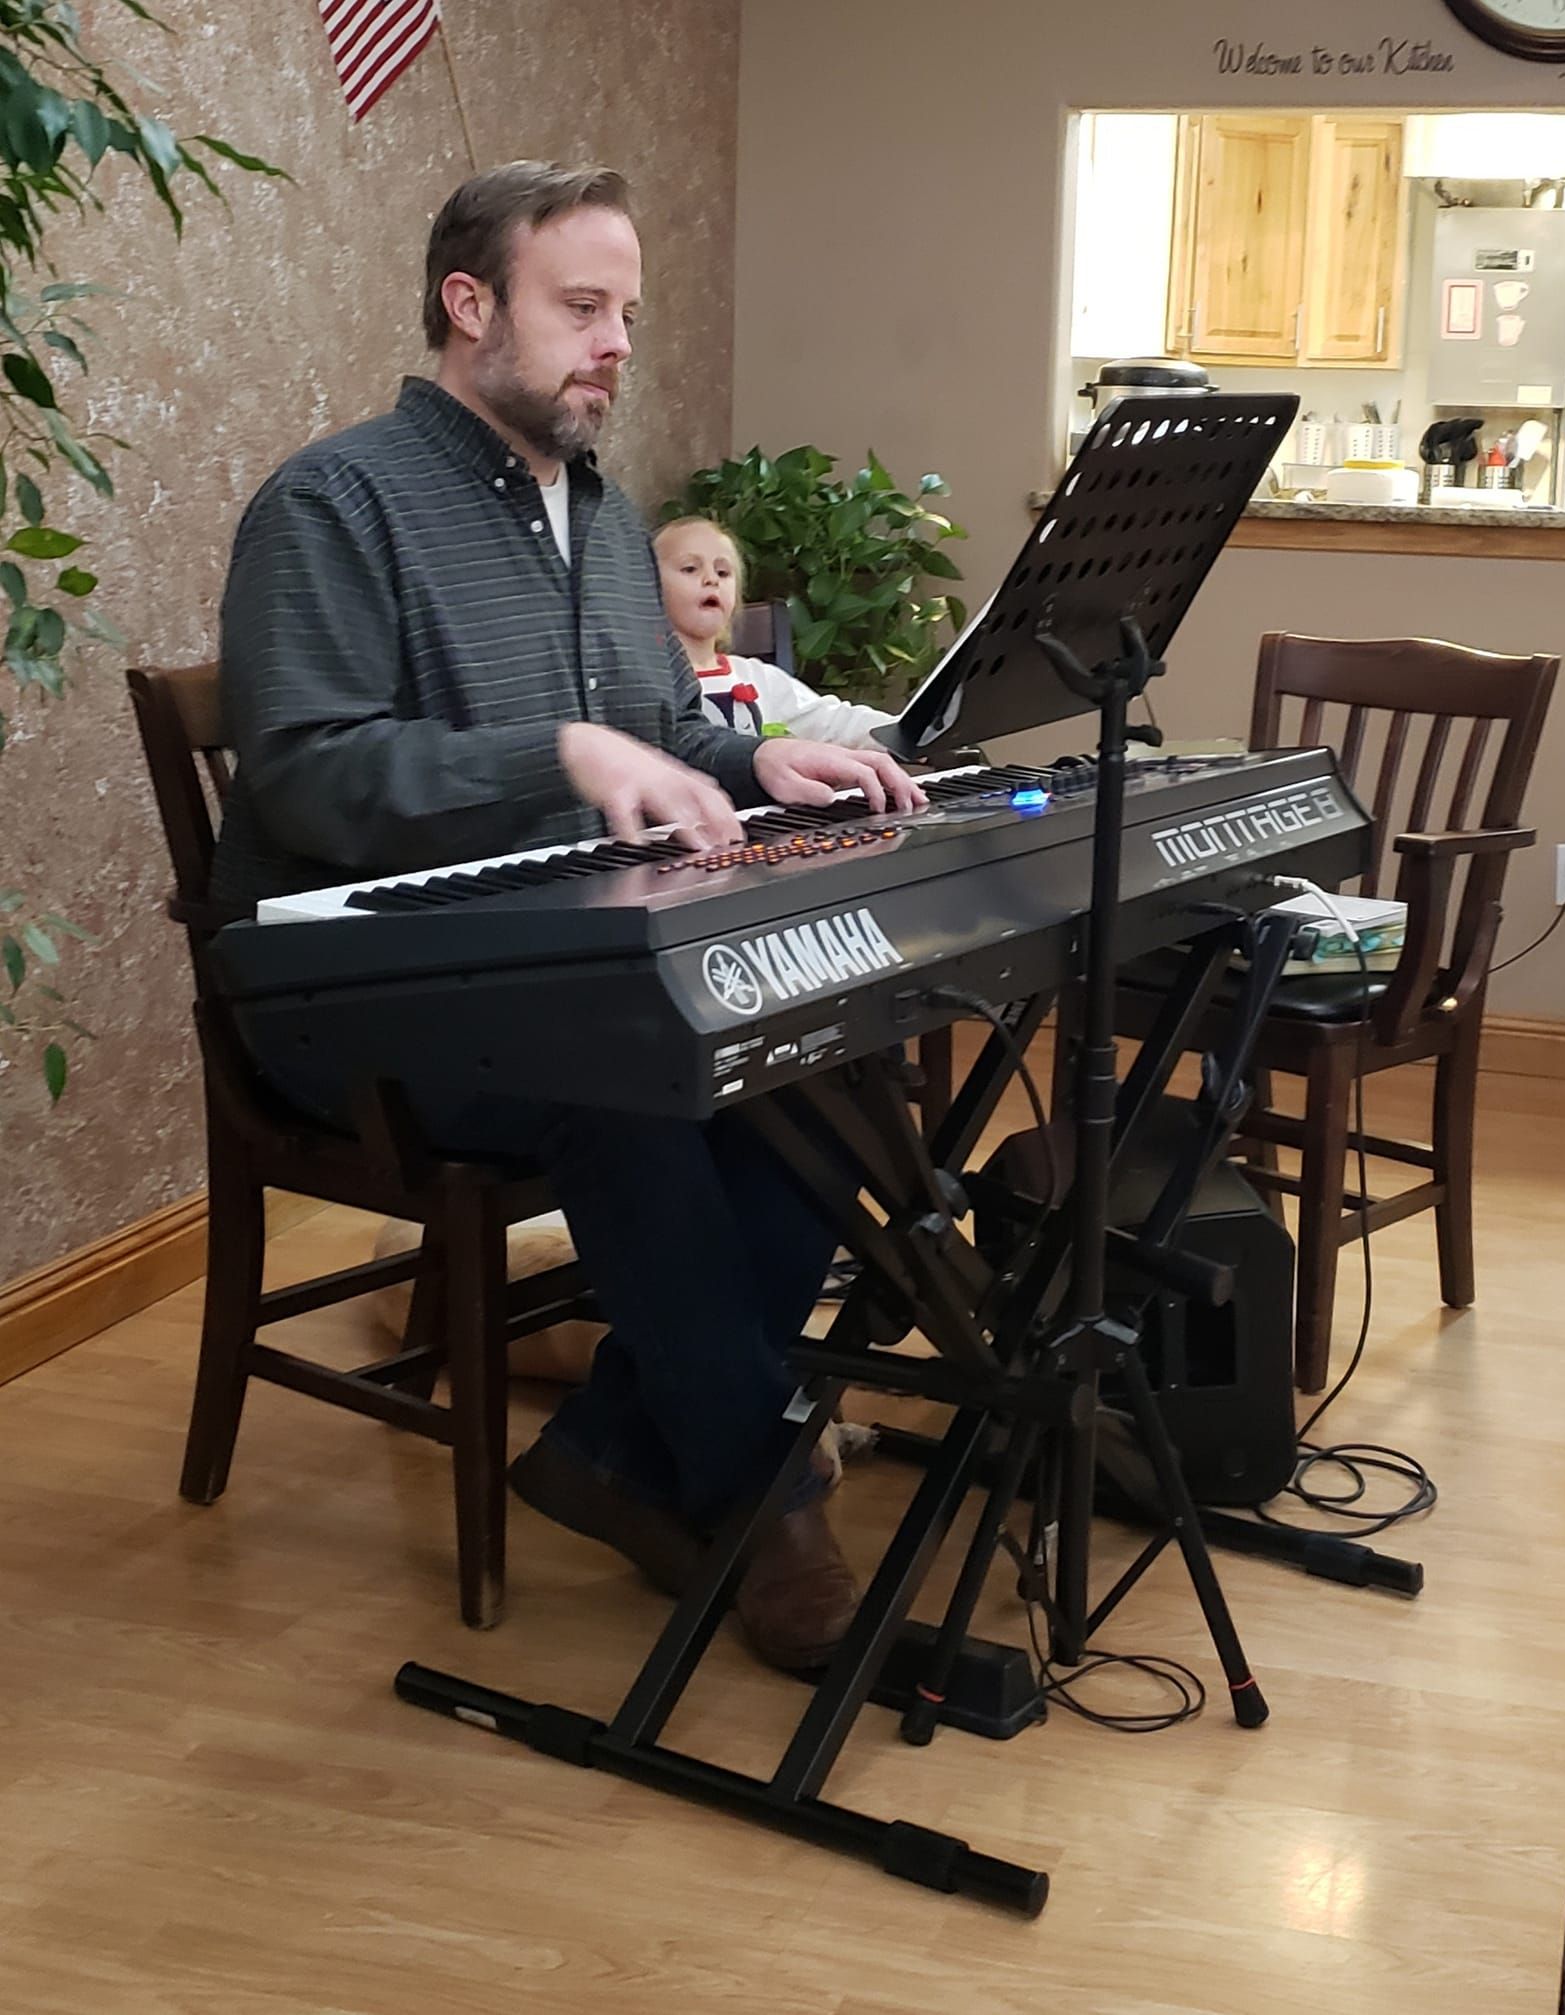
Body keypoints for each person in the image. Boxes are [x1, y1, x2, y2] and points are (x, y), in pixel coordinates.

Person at [210, 161, 926, 1671]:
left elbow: (663, 729)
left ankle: (620, 1441)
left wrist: (752, 755)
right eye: (581, 307)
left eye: (625, 313)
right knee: (635, 1086)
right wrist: (558, 752)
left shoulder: (604, 518)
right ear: (468, 305)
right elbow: (307, 777)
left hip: (560, 953)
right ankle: (767, 1488)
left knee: (829, 1052)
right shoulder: (331, 503)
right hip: (350, 987)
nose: (614, 342)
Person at [653, 516, 897, 747]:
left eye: (723, 572)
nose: (711, 579)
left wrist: (906, 733)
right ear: (647, 587)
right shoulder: (643, 684)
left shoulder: (759, 678)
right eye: (690, 568)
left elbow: (836, 723)